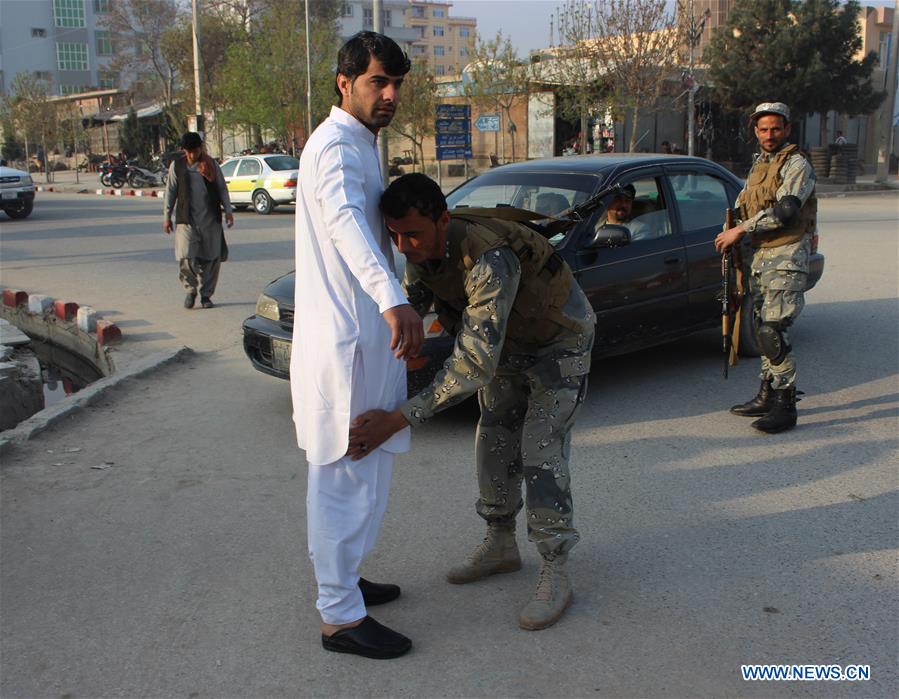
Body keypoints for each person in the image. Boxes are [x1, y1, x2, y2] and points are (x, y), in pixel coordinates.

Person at [348, 173, 596, 631]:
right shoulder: (422, 250)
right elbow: (411, 305)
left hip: (558, 343)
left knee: (540, 449)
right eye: (395, 235)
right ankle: (501, 544)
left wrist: (399, 418)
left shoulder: (488, 257)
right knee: (494, 440)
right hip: (510, 346)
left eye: (413, 234)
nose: (404, 246)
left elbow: (473, 365)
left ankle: (555, 568)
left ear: (442, 220)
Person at [290, 31, 421, 661]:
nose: (391, 94)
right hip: (346, 344)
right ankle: (339, 615)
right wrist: (392, 298)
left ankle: (348, 580)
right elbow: (343, 224)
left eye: (397, 83)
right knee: (344, 472)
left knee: (368, 462)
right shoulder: (336, 147)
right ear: (344, 83)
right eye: (378, 81)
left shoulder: (362, 144)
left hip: (365, 340)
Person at [714, 102, 816, 433]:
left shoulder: (796, 164)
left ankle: (786, 405)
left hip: (786, 256)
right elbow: (747, 205)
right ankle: (767, 393)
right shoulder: (760, 165)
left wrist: (741, 230)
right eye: (763, 129)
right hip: (761, 257)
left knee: (774, 330)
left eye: (775, 128)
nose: (769, 135)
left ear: (787, 129)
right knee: (760, 327)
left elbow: (786, 211)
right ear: (755, 132)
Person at [163, 132, 233, 309]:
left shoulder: (211, 165)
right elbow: (170, 192)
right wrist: (167, 216)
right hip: (186, 221)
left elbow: (222, 189)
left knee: (212, 259)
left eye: (195, 151)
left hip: (210, 220)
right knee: (186, 256)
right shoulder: (177, 166)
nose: (192, 156)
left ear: (201, 148)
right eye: (189, 152)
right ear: (184, 151)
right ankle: (190, 289)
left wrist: (229, 211)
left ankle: (206, 296)